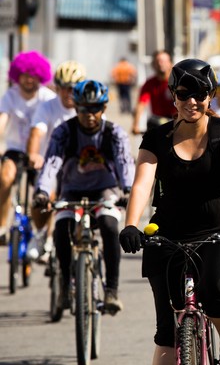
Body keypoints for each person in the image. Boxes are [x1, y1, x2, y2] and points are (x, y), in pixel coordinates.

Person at [117, 59, 220, 365]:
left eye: (201, 94)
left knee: (216, 291)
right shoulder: (156, 138)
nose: (192, 101)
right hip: (168, 236)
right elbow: (142, 185)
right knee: (166, 330)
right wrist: (130, 224)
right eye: (183, 93)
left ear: (210, 96)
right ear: (172, 96)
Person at [33, 79, 135, 315]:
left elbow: (124, 161)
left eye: (95, 108)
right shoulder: (64, 131)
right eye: (83, 109)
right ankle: (67, 285)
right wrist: (42, 191)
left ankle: (111, 290)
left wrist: (127, 189)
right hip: (72, 190)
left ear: (104, 108)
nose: (89, 115)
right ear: (75, 108)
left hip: (105, 190)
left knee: (110, 227)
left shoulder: (114, 132)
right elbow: (51, 163)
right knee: (61, 229)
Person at [25, 60, 87, 263]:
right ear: (57, 88)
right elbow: (37, 133)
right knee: (45, 194)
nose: (68, 93)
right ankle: (40, 233)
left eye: (73, 89)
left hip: (79, 166)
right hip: (50, 163)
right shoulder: (48, 107)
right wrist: (34, 154)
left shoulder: (87, 107)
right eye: (64, 89)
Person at [0, 50, 56, 244]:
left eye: (33, 76)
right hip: (16, 149)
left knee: (44, 194)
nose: (29, 80)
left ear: (40, 76)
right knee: (5, 177)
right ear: (18, 76)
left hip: (41, 152)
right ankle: (2, 226)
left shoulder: (47, 98)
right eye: (25, 76)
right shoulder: (11, 95)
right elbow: (2, 120)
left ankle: (45, 235)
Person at [131, 50, 176, 134]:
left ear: (171, 63)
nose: (160, 64)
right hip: (157, 122)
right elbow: (141, 104)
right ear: (153, 65)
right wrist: (135, 124)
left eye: (164, 61)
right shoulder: (149, 83)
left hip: (176, 121)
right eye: (158, 61)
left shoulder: (177, 82)